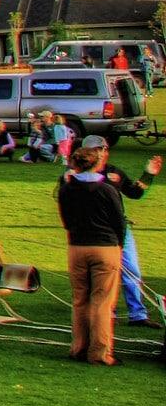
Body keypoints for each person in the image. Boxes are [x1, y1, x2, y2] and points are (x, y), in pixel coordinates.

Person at [55, 139, 129, 365]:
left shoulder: (67, 189)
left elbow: (65, 219)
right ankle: (99, 352)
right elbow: (119, 222)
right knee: (102, 302)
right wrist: (119, 244)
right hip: (105, 246)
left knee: (80, 300)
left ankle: (78, 347)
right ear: (97, 164)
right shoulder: (107, 189)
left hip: (77, 246)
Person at [91, 144, 162, 328]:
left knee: (132, 269)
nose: (103, 153)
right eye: (98, 149)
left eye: (104, 149)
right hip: (96, 231)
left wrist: (148, 174)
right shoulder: (76, 175)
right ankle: (106, 312)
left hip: (121, 228)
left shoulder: (114, 172)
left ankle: (137, 315)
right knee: (104, 272)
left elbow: (134, 192)